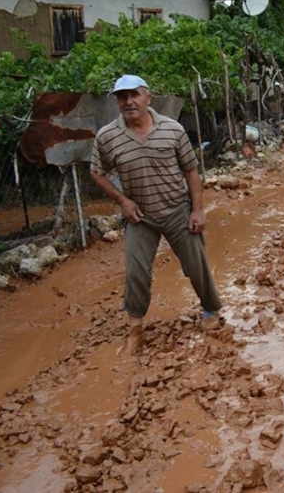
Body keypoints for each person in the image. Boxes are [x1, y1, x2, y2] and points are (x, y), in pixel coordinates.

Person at [90, 75, 222, 354]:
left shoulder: (172, 129)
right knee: (135, 272)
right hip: (141, 216)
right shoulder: (107, 136)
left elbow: (191, 170)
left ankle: (211, 310)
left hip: (177, 209)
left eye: (134, 95)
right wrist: (123, 201)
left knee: (195, 264)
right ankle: (135, 327)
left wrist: (198, 210)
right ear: (116, 101)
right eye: (122, 97)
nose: (128, 102)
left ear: (148, 98)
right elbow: (96, 172)